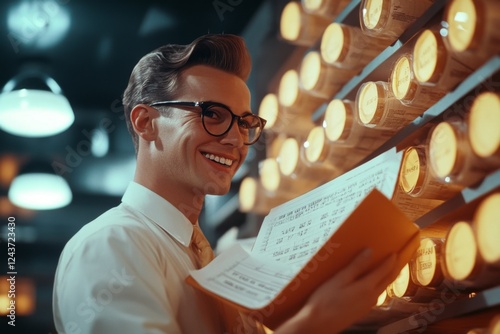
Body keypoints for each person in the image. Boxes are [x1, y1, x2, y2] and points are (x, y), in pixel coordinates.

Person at [53, 33, 399, 334]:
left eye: (244, 122)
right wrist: (315, 321)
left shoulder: (208, 258)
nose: (236, 140)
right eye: (212, 114)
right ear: (146, 122)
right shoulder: (110, 245)